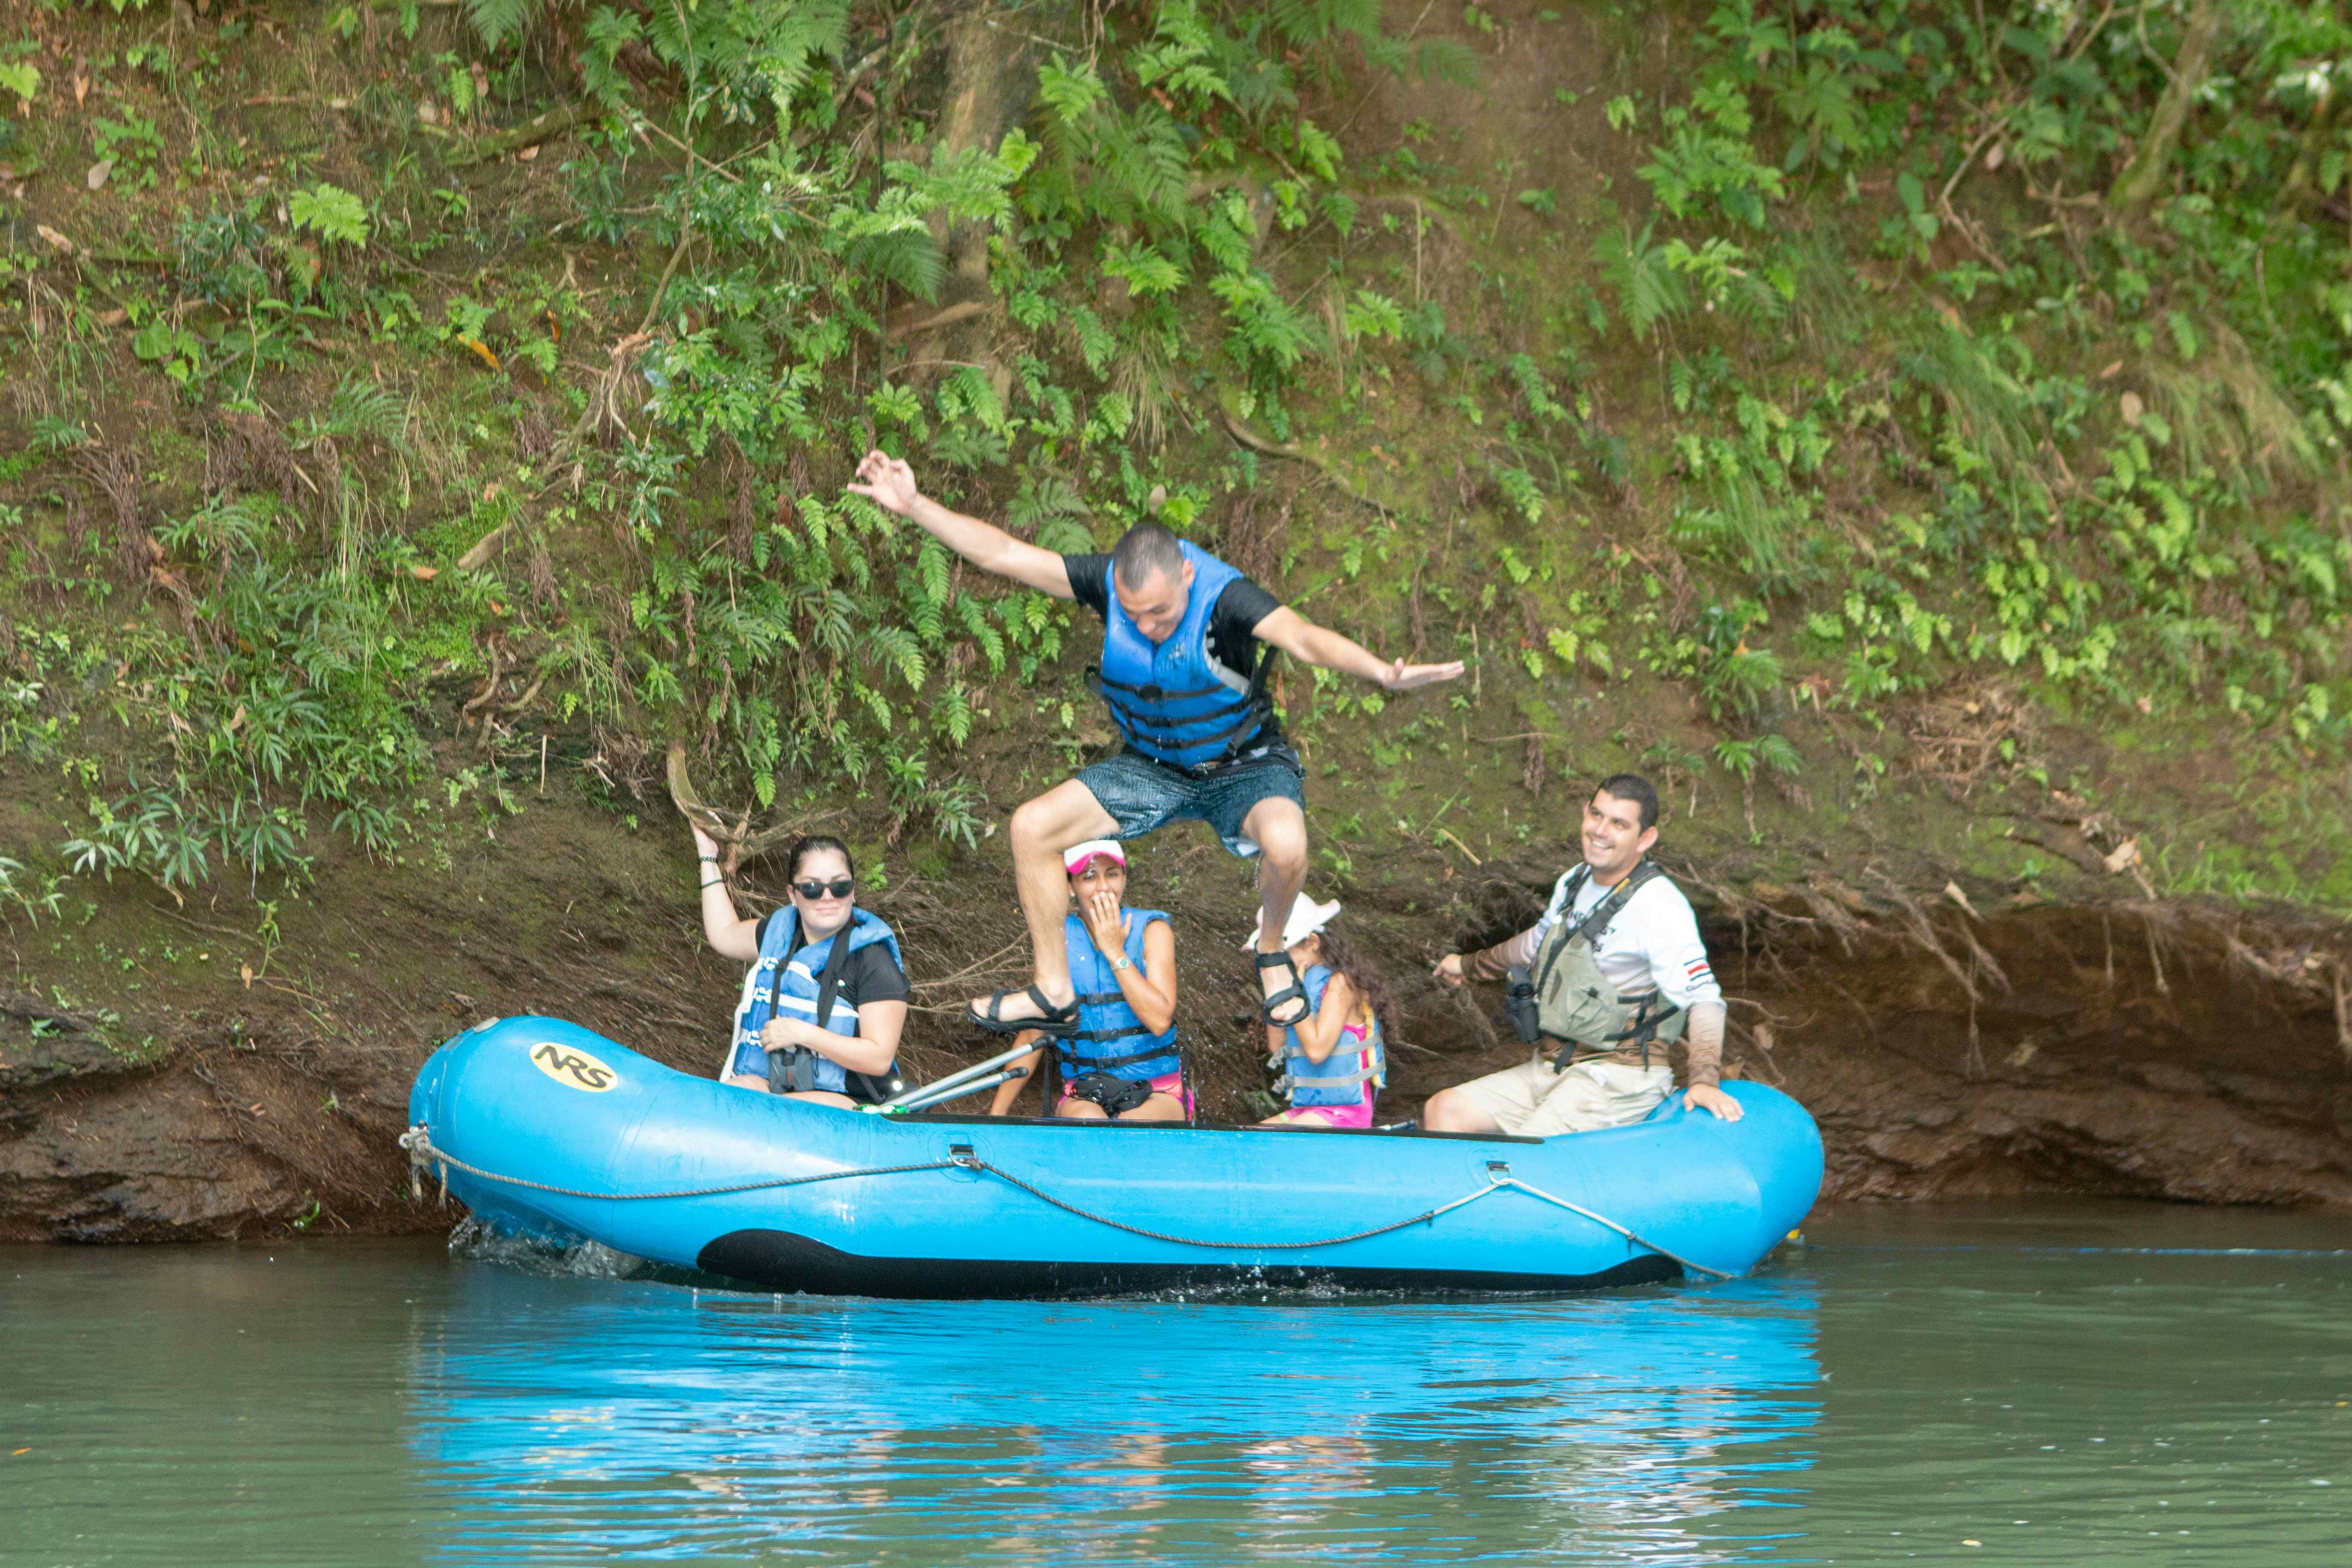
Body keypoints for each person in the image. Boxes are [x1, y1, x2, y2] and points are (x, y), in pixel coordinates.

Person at [847, 450, 1463, 1041]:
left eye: (1161, 614)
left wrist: (1379, 672)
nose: (1146, 627)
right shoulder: (1106, 582)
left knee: (1287, 845)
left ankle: (1273, 949)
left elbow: (1303, 637)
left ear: (1187, 576)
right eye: (1134, 614)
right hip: (1157, 767)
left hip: (1244, 765)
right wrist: (916, 505)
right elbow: (1005, 554)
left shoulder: (1227, 600)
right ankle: (1053, 989)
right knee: (1031, 827)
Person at [1425, 774, 1744, 1136]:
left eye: (1619, 824)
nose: (1600, 831)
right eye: (1597, 815)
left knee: (1526, 1151)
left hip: (1618, 1078)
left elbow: (1704, 998)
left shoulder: (1660, 906)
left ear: (1645, 838)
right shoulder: (1574, 881)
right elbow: (1536, 943)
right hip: (1552, 1066)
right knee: (1444, 1110)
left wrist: (1704, 1080)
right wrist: (1468, 966)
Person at [691, 824, 910, 1109]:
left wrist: (802, 1034)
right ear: (793, 895)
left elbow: (879, 1059)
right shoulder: (781, 936)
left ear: (853, 891)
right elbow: (724, 934)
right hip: (787, 1085)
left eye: (840, 886)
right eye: (812, 888)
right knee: (735, 1092)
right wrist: (708, 856)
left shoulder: (873, 962)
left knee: (776, 1108)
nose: (828, 897)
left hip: (856, 1102)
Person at [987, 839, 1186, 1121]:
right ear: (1070, 887)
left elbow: (1159, 1020)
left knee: (1131, 1126)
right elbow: (1034, 1032)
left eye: (1112, 874)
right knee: (1089, 1125)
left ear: (1124, 878)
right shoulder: (1059, 940)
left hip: (1157, 1090)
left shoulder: (1153, 931)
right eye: (1089, 877)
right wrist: (997, 1114)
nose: (1104, 887)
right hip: (1085, 1091)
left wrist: (1114, 951)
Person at [1252, 898, 1389, 1129]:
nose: (1280, 963)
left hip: (1345, 1114)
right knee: (1245, 1138)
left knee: (1269, 1142)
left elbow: (1317, 1052)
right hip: (1308, 1110)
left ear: (1313, 942)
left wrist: (1297, 1001)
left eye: (1283, 953)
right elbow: (1277, 1047)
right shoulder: (1302, 984)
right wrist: (1278, 993)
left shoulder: (1341, 985)